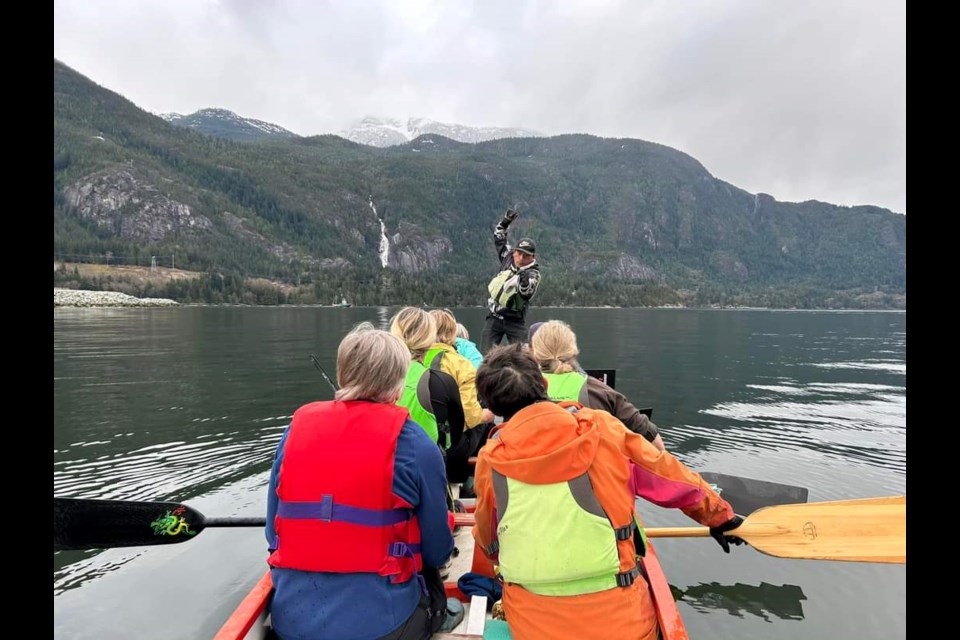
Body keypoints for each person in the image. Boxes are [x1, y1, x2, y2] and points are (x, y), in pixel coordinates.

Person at [471, 345, 744, 640]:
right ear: (545, 384)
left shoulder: (491, 460)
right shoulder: (604, 430)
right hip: (624, 625)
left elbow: (489, 540)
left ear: (493, 410)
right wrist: (720, 518)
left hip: (533, 626)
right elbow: (674, 480)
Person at [265, 324, 458, 640]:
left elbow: (273, 533)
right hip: (384, 628)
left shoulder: (293, 433)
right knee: (433, 581)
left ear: (342, 376)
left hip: (291, 624)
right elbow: (437, 552)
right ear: (398, 386)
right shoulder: (417, 445)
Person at [531, 320, 665, 451]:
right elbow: (656, 445)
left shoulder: (517, 390)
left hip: (529, 472)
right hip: (585, 472)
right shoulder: (601, 392)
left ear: (535, 353)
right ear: (573, 351)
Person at [390, 307, 467, 468]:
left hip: (386, 464)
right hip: (425, 468)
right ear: (430, 339)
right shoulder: (441, 382)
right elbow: (456, 436)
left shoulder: (379, 377)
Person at [426, 309, 494, 484]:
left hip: (422, 439)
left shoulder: (412, 360)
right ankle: (471, 483)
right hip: (451, 447)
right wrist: (486, 415)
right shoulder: (461, 364)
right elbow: (469, 417)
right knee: (486, 424)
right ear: (452, 335)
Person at [480, 208, 542, 353]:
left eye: (526, 256)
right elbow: (499, 234)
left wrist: (522, 275)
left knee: (523, 358)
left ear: (533, 257)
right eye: (519, 253)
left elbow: (526, 292)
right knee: (485, 357)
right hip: (494, 316)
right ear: (514, 252)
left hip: (515, 320)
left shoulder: (533, 273)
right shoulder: (508, 257)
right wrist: (506, 221)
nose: (521, 258)